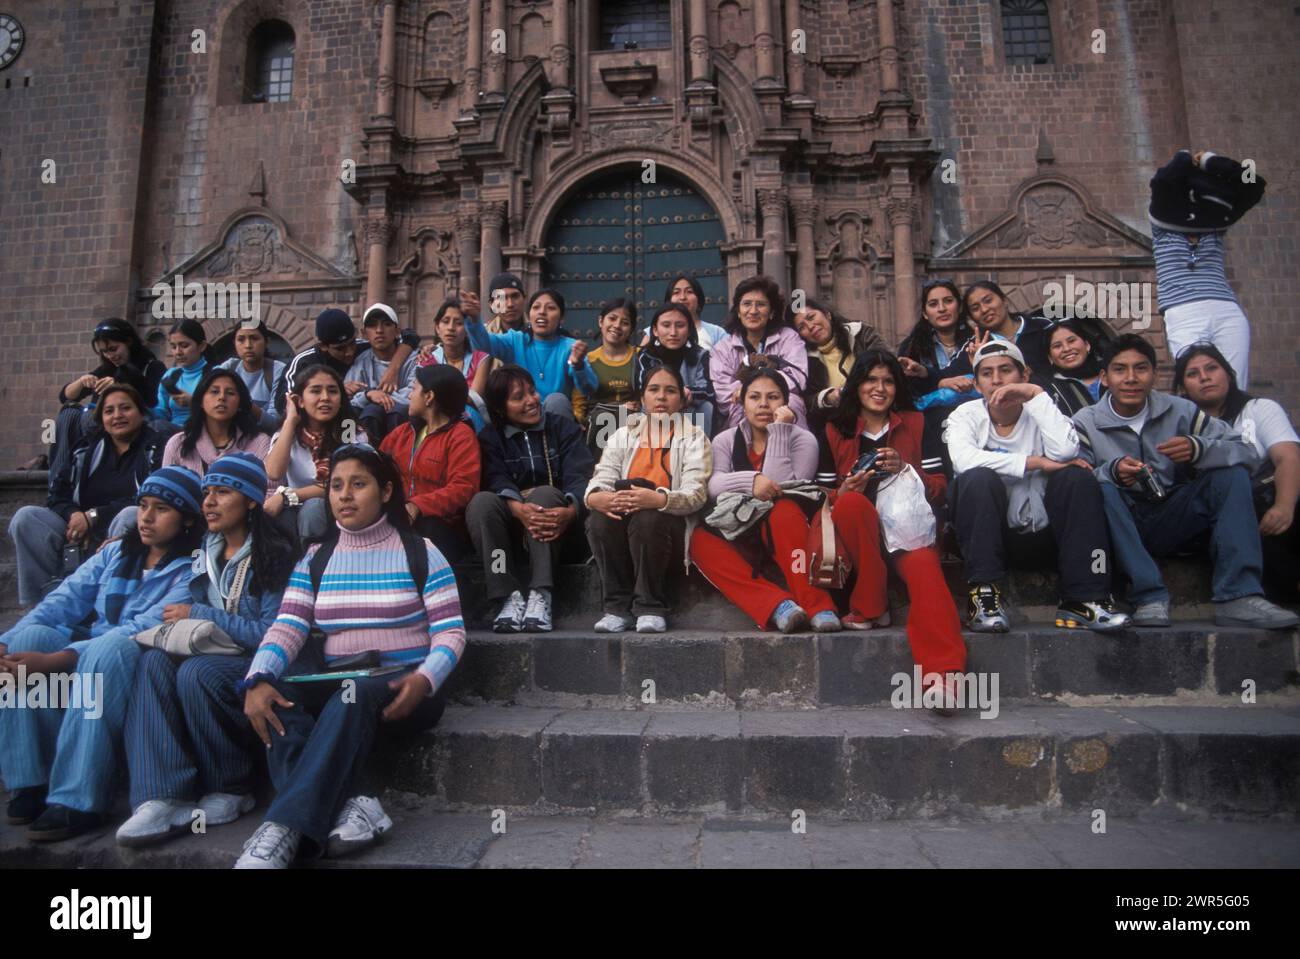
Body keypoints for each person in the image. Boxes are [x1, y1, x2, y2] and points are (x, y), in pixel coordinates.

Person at [234, 445, 464, 868]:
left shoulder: (420, 551)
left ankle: (281, 829)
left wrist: (425, 679)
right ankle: (358, 803)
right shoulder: (316, 559)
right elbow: (286, 627)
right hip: (341, 685)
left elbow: (451, 632)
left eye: (358, 484)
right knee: (277, 698)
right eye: (336, 486)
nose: (344, 496)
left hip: (405, 687)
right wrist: (259, 677)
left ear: (385, 490)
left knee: (352, 692)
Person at [0, 466, 203, 841]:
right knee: (31, 636)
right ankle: (31, 780)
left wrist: (59, 661)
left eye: (161, 509)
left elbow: (139, 629)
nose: (146, 517)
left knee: (105, 650)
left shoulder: (193, 569)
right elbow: (65, 598)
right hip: (94, 646)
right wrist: (6, 642)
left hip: (138, 657)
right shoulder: (117, 554)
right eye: (143, 505)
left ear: (188, 519)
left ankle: (79, 799)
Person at [116, 452, 298, 847]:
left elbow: (274, 631)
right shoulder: (206, 551)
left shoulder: (275, 554)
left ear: (251, 500)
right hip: (215, 656)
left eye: (223, 492)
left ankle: (231, 787)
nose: (210, 502)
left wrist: (199, 613)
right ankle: (160, 794)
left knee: (196, 672)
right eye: (207, 492)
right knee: (152, 663)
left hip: (261, 664)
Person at [1072, 334, 1297, 629]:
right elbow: (1075, 474)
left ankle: (1238, 595)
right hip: (1118, 522)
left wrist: (1200, 449)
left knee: (1230, 474)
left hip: (1171, 513)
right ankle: (1148, 596)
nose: (1131, 378)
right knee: (1099, 487)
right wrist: (1112, 472)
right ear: (1104, 377)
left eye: (1141, 368)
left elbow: (1246, 452)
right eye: (1120, 369)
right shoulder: (1085, 421)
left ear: (1154, 374)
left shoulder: (1181, 410)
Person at [944, 339, 1130, 632]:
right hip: (991, 539)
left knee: (1078, 478)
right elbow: (964, 460)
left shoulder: (1043, 411)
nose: (996, 380)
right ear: (977, 384)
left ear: (1024, 375)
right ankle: (984, 597)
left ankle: (1085, 599)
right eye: (987, 373)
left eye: (1006, 370)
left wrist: (1036, 395)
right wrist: (1037, 463)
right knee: (976, 478)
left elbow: (1067, 453)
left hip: (1047, 533)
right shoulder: (964, 416)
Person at [818, 351, 967, 690]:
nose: (879, 388)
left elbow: (941, 489)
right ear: (856, 385)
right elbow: (820, 494)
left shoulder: (915, 423)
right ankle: (870, 601)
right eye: (871, 379)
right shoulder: (833, 430)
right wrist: (844, 489)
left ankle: (943, 678)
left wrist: (907, 469)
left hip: (908, 530)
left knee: (927, 574)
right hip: (857, 539)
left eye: (887, 381)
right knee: (850, 503)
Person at [689, 367, 841, 633]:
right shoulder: (725, 439)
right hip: (741, 528)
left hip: (789, 530)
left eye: (773, 397)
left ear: (785, 402)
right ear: (742, 402)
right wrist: (751, 482)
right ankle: (777, 606)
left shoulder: (803, 440)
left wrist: (780, 431)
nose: (763, 405)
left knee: (782, 509)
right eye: (754, 397)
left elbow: (781, 488)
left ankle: (817, 605)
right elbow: (713, 486)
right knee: (698, 541)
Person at [9, 384, 164, 606]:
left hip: (120, 528)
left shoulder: (156, 447)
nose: (117, 416)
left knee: (132, 514)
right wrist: (74, 515)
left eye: (125, 408)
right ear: (101, 418)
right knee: (27, 518)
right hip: (78, 528)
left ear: (141, 413)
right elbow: (57, 494)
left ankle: (108, 603)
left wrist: (94, 516)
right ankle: (41, 604)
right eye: (109, 411)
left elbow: (151, 498)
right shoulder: (85, 448)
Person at [585, 364, 712, 633]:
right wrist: (595, 497)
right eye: (653, 390)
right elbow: (603, 475)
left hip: (669, 529)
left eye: (670, 391)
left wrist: (658, 499)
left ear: (681, 398)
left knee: (648, 517)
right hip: (625, 523)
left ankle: (650, 606)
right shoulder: (623, 434)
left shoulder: (694, 437)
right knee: (599, 519)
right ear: (642, 398)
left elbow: (696, 493)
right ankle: (616, 608)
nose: (661, 397)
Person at [467, 365, 594, 633]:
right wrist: (516, 508)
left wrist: (571, 510)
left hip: (560, 531)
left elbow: (579, 475)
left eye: (532, 392)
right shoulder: (492, 438)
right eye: (518, 397)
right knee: (481, 503)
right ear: (501, 408)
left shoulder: (562, 428)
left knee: (546, 494)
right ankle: (508, 594)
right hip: (510, 539)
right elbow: (495, 478)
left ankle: (541, 594)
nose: (531, 401)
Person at [1175, 343, 1300, 603]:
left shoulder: (1259, 409)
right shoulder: (1180, 424)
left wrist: (1284, 507)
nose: (1204, 377)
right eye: (1193, 374)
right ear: (1182, 386)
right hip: (1218, 513)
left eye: (1212, 368)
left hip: (1271, 497)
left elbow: (1288, 457)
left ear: (1228, 374)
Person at [1150, 149, 1266, 386]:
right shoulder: (1161, 223)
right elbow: (1164, 181)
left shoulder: (1215, 227)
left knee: (1236, 386)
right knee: (1198, 384)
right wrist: (1183, 156)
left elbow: (1254, 181)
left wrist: (1209, 161)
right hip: (1183, 312)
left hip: (1227, 310)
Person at [380, 363, 481, 563]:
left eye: (414, 389)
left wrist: (417, 505)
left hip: (442, 527)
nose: (409, 396)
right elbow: (376, 469)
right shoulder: (402, 433)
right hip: (400, 519)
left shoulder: (461, 436)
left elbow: (463, 488)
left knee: (426, 529)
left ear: (429, 397)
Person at [47, 318, 167, 474]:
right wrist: (82, 382)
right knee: (67, 414)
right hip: (97, 420)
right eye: (104, 351)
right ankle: (58, 475)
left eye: (113, 349)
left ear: (128, 342)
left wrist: (119, 386)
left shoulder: (152, 367)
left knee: (88, 417)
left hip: (135, 420)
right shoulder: (106, 369)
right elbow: (65, 396)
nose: (110, 355)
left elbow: (152, 401)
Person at [463, 287, 599, 420]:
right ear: (529, 315)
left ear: (561, 318)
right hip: (520, 416)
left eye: (550, 308)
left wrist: (579, 366)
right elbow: (483, 344)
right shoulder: (516, 341)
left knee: (556, 401)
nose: (542, 312)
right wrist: (475, 320)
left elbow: (590, 388)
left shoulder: (570, 347)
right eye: (536, 307)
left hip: (556, 421)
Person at [896, 279, 980, 480]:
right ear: (925, 313)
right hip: (931, 426)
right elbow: (906, 391)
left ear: (959, 307)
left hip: (976, 421)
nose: (942, 309)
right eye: (933, 304)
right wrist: (941, 383)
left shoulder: (977, 339)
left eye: (948, 301)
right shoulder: (912, 347)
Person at [274, 307, 419, 420]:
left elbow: (410, 337)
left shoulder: (364, 347)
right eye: (340, 349)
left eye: (351, 344)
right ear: (324, 346)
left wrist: (393, 369)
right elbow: (284, 405)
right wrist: (335, 389)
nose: (349, 352)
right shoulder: (304, 362)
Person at [711, 275, 810, 429]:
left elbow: (797, 377)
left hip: (781, 402)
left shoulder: (788, 338)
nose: (753, 311)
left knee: (793, 402)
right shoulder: (723, 348)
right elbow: (722, 393)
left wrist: (759, 389)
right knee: (739, 407)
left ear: (771, 312)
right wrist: (751, 395)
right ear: (738, 311)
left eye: (761, 304)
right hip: (742, 408)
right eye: (747, 304)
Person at [791, 296, 887, 433]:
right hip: (840, 424)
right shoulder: (805, 359)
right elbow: (806, 401)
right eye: (802, 327)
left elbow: (884, 361)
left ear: (827, 314)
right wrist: (827, 397)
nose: (811, 327)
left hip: (879, 411)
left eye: (811, 317)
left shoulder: (860, 334)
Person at [936, 281, 1056, 388]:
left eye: (988, 301)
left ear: (1004, 300)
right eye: (975, 308)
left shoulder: (1042, 326)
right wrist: (938, 379)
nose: (984, 309)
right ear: (972, 318)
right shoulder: (976, 346)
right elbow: (942, 375)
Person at [160, 368, 272, 473]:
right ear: (201, 401)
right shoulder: (178, 443)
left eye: (230, 393)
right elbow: (166, 490)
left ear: (240, 403)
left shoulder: (260, 443)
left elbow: (271, 490)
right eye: (214, 391)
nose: (222, 397)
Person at [633, 303, 716, 437]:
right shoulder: (646, 356)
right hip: (656, 409)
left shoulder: (700, 355)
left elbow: (708, 391)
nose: (673, 332)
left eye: (680, 326)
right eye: (666, 325)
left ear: (689, 330)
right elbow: (643, 389)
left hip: (689, 411)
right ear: (655, 330)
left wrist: (688, 393)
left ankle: (699, 451)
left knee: (706, 407)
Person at [573, 298, 640, 451]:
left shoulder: (640, 356)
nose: (617, 325)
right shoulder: (588, 360)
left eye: (625, 322)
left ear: (631, 329)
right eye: (612, 318)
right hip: (598, 425)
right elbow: (579, 403)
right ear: (601, 321)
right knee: (604, 419)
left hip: (632, 422)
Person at [346, 303, 419, 442]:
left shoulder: (415, 359)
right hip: (369, 419)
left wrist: (382, 398)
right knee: (355, 415)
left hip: (403, 418)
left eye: (386, 324)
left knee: (395, 412)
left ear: (397, 331)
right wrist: (368, 395)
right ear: (364, 333)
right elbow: (348, 401)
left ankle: (399, 460)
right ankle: (350, 451)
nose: (379, 330)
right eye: (372, 326)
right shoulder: (360, 361)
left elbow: (415, 394)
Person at [419, 297, 490, 430]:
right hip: (433, 419)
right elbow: (422, 397)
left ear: (467, 329)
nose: (451, 328)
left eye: (458, 323)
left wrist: (438, 397)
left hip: (471, 420)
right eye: (445, 322)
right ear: (437, 327)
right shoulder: (428, 359)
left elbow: (474, 397)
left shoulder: (481, 358)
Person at [216, 319, 287, 433]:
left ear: (267, 342)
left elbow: (275, 423)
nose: (248, 345)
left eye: (254, 338)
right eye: (241, 340)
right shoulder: (229, 367)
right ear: (234, 343)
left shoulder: (278, 370)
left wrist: (246, 404)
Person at [151, 319, 212, 433]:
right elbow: (161, 411)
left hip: (202, 431)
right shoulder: (172, 375)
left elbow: (224, 408)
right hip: (171, 432)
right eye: (173, 347)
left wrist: (193, 402)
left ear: (202, 346)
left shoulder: (215, 374)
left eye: (184, 345)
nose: (178, 352)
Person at [1044, 319, 1106, 417]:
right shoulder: (1050, 390)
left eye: (1071, 341)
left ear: (1087, 345)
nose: (1067, 349)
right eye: (1057, 346)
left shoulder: (1112, 371)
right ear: (1050, 357)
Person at [661, 273, 726, 350]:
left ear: (699, 299)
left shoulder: (717, 333)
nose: (682, 297)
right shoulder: (655, 331)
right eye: (676, 292)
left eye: (689, 291)